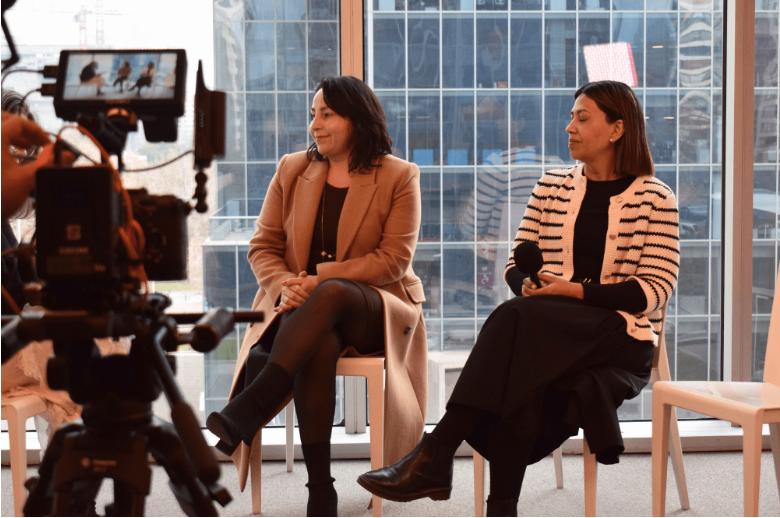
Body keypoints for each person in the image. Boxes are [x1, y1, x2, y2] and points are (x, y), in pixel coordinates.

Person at [357, 80, 680, 517]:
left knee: (517, 325)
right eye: (571, 117)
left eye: (582, 118)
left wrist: (571, 290)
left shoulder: (655, 198)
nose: (569, 127)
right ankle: (494, 502)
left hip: (620, 334)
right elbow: (516, 262)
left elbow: (653, 292)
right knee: (523, 358)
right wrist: (526, 283)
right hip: (546, 330)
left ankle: (436, 452)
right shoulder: (551, 186)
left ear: (617, 129)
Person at [205, 75, 428, 517]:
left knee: (332, 291)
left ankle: (252, 403)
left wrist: (317, 281)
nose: (315, 125)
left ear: (357, 120)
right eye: (313, 114)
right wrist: (287, 286)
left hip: (375, 310)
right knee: (319, 343)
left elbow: (393, 260)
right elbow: (263, 247)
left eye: (327, 114)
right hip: (301, 312)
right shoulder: (292, 169)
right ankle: (320, 489)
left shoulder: (399, 175)